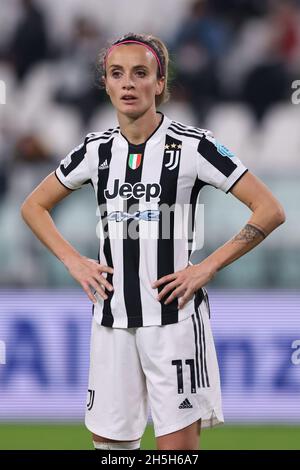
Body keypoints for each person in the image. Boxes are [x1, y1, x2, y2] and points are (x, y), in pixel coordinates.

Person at [21, 32, 285, 451]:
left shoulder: (194, 145)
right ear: (106, 84)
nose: (128, 83)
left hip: (174, 324)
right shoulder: (96, 150)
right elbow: (33, 206)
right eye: (117, 74)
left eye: (140, 73)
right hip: (111, 322)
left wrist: (207, 266)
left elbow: (270, 209)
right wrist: (74, 261)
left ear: (159, 83)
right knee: (111, 451)